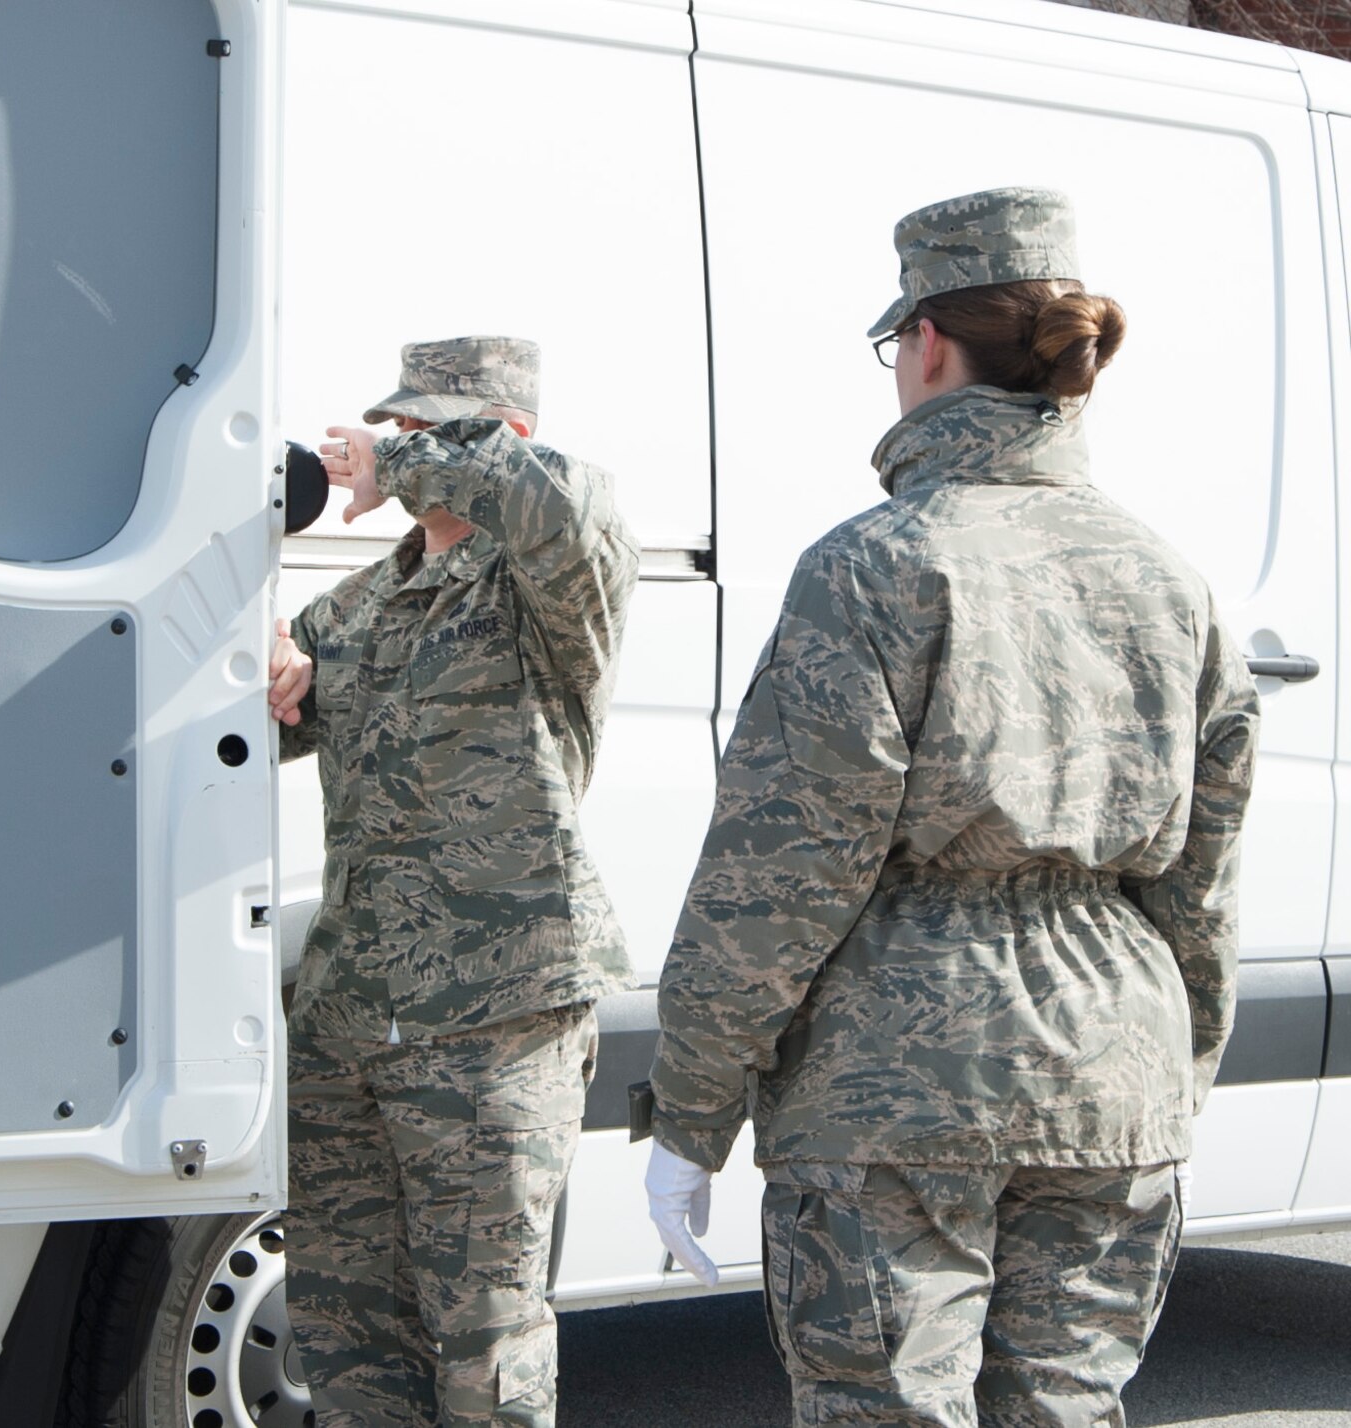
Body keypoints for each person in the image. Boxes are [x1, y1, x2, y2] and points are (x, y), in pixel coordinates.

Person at [643, 189, 1259, 1426]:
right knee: (1067, 1408)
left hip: (894, 1085)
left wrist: (690, 1110)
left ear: (924, 341)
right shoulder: (1168, 580)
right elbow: (1204, 875)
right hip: (1111, 1066)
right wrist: (1168, 1073)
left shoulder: (872, 564)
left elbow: (777, 875)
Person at [265, 336, 639, 1426]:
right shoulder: (359, 605)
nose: (399, 452)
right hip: (352, 1017)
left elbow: (559, 505)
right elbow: (258, 720)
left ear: (505, 436)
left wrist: (406, 465)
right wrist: (271, 676)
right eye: (398, 430)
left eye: (428, 430)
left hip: (495, 1010)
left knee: (482, 1340)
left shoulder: (554, 579)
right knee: (345, 1325)